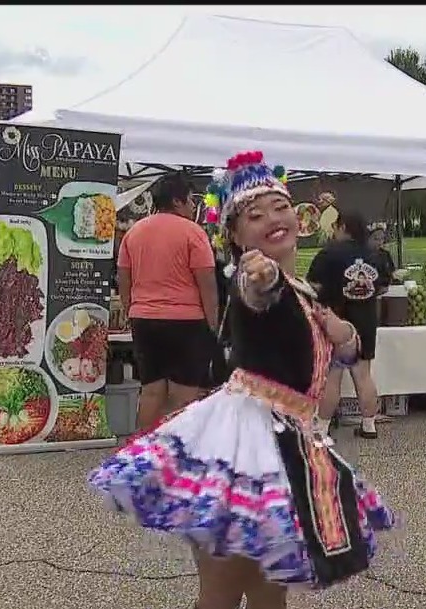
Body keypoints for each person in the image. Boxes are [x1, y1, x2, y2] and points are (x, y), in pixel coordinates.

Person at [89, 150, 396, 609]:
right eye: (254, 215)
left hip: (287, 441)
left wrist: (342, 330)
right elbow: (258, 290)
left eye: (280, 207)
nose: (273, 218)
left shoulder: (306, 292)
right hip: (245, 445)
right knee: (223, 593)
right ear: (234, 234)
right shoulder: (258, 278)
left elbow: (347, 349)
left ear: (300, 215)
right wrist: (260, 275)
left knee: (269, 594)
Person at [117, 172, 220, 429]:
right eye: (190, 200)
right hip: (186, 323)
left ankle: (140, 451)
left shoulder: (134, 232)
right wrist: (214, 324)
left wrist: (133, 311)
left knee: (151, 391)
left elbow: (124, 279)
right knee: (183, 396)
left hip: (144, 319)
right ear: (177, 201)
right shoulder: (194, 233)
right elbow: (207, 283)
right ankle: (176, 455)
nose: (194, 206)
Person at [307, 211, 391, 439]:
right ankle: (369, 424)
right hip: (366, 320)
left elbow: (312, 283)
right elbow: (383, 286)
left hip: (336, 322)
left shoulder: (329, 254)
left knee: (332, 375)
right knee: (363, 375)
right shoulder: (375, 255)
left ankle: (322, 428)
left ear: (343, 227)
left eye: (335, 226)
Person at [367, 222, 397, 287]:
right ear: (368, 239)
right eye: (376, 239)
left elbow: (392, 272)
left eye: (382, 238)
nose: (380, 242)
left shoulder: (386, 254)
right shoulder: (362, 256)